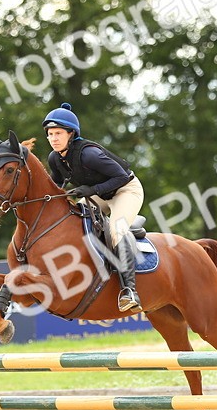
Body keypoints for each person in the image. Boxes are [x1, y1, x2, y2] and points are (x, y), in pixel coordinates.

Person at [41, 102, 145, 312]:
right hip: (99, 194)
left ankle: (129, 291)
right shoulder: (55, 158)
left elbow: (121, 177)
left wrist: (92, 190)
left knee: (116, 229)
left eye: (58, 133)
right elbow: (56, 188)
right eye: (50, 134)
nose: (54, 139)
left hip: (126, 190)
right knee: (74, 220)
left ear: (71, 134)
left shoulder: (89, 154)